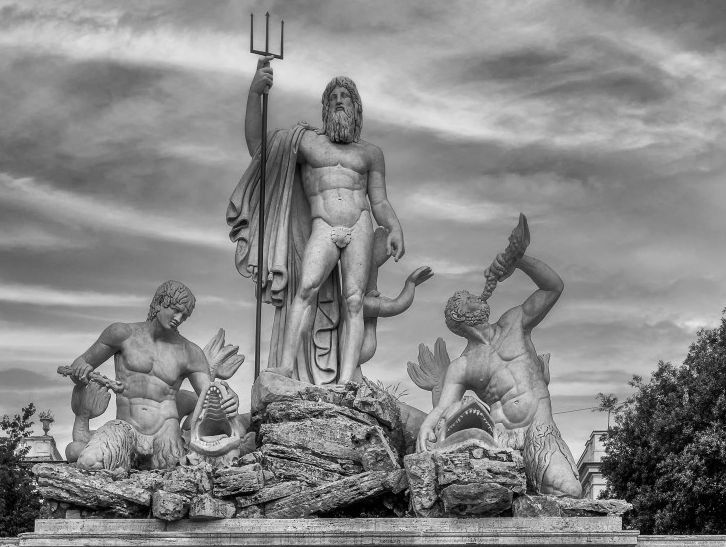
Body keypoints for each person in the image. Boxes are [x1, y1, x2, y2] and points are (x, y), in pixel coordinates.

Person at [227, 61, 409, 386]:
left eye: (346, 96)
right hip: (323, 224)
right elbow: (258, 149)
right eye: (334, 96)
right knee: (306, 289)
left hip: (360, 225)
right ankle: (284, 367)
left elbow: (379, 201)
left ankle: (347, 379)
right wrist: (255, 93)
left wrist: (394, 227)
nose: (340, 100)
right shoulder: (307, 143)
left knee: (354, 300)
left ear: (356, 107)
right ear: (326, 107)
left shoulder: (370, 154)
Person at [419, 247, 582, 496]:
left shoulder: (514, 322)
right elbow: (443, 408)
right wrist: (426, 428)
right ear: (458, 313)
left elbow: (553, 288)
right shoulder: (462, 366)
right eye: (470, 297)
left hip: (540, 430)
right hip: (500, 441)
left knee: (570, 491)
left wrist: (519, 261)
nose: (479, 297)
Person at [61, 281, 243, 471]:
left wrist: (230, 399)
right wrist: (79, 372)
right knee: (90, 461)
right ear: (159, 302)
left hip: (166, 434)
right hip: (125, 428)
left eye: (185, 316)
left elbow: (211, 394)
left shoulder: (190, 352)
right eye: (175, 309)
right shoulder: (122, 334)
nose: (179, 318)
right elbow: (79, 365)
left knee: (176, 474)